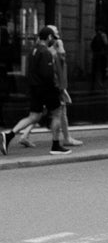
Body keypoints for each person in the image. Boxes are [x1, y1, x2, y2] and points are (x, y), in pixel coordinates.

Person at [0, 26, 71, 156]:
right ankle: (55, 145)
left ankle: (8, 135)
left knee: (34, 116)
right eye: (53, 38)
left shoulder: (33, 50)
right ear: (49, 37)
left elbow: (28, 71)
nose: (53, 41)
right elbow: (48, 74)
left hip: (34, 89)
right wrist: (58, 91)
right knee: (57, 113)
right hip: (46, 89)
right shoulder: (45, 53)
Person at [19, 26, 82, 149]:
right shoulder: (52, 49)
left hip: (50, 85)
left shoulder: (45, 50)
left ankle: (25, 135)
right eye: (55, 32)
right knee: (59, 112)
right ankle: (65, 139)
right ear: (50, 36)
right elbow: (58, 65)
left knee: (41, 113)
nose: (57, 34)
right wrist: (61, 88)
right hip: (53, 86)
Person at [90, 25, 108, 91]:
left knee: (94, 71)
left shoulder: (94, 36)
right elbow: (106, 43)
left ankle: (93, 85)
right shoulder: (103, 35)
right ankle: (101, 84)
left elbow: (91, 45)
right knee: (103, 70)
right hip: (102, 56)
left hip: (95, 56)